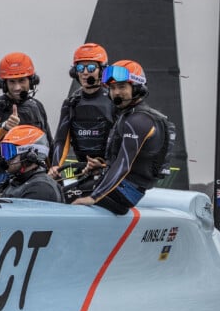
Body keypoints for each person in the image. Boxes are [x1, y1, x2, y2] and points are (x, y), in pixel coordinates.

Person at [72, 60, 171, 215]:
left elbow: (124, 164)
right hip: (120, 188)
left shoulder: (138, 119)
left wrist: (94, 198)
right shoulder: (129, 115)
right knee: (58, 190)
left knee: (58, 197)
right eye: (112, 88)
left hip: (124, 194)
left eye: (122, 86)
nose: (116, 92)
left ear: (137, 88)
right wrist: (103, 166)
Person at [0, 52, 52, 189]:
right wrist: (4, 127)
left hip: (36, 172)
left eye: (22, 81)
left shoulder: (37, 105)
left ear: (31, 81)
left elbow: (48, 141)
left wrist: (53, 168)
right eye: (12, 82)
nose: (17, 87)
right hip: (3, 174)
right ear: (4, 84)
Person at [48, 43, 115, 194]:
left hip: (108, 170)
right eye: (80, 68)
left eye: (91, 68)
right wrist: (55, 166)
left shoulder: (112, 100)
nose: (85, 73)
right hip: (81, 170)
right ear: (74, 72)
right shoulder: (71, 102)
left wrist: (105, 163)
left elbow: (120, 139)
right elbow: (61, 140)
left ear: (101, 70)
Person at [0, 125, 64, 203]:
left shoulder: (41, 188)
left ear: (30, 156)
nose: (6, 159)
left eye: (10, 152)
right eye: (5, 151)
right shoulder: (16, 182)